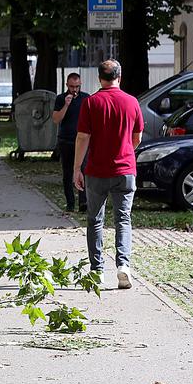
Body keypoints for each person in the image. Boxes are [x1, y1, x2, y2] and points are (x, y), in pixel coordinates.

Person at [73, 59, 144, 290]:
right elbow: (137, 138)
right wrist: (125, 152)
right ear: (119, 77)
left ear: (99, 78)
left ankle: (97, 270)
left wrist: (76, 168)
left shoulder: (91, 102)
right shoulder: (132, 102)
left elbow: (83, 137)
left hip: (96, 171)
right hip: (125, 170)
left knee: (95, 220)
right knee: (123, 218)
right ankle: (123, 265)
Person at [52, 73, 88, 213]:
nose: (74, 90)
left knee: (83, 170)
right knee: (67, 172)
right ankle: (70, 203)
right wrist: (66, 105)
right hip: (66, 139)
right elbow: (56, 119)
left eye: (77, 87)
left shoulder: (86, 98)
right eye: (72, 87)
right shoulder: (61, 98)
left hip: (83, 140)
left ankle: (83, 202)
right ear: (67, 85)